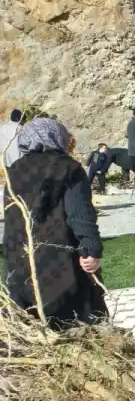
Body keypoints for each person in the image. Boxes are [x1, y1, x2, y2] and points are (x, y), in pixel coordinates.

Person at [2, 118, 107, 328]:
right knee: (78, 327)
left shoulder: (13, 172)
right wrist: (91, 249)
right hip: (61, 262)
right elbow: (80, 214)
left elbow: (13, 222)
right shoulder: (68, 168)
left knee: (34, 329)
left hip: (21, 264)